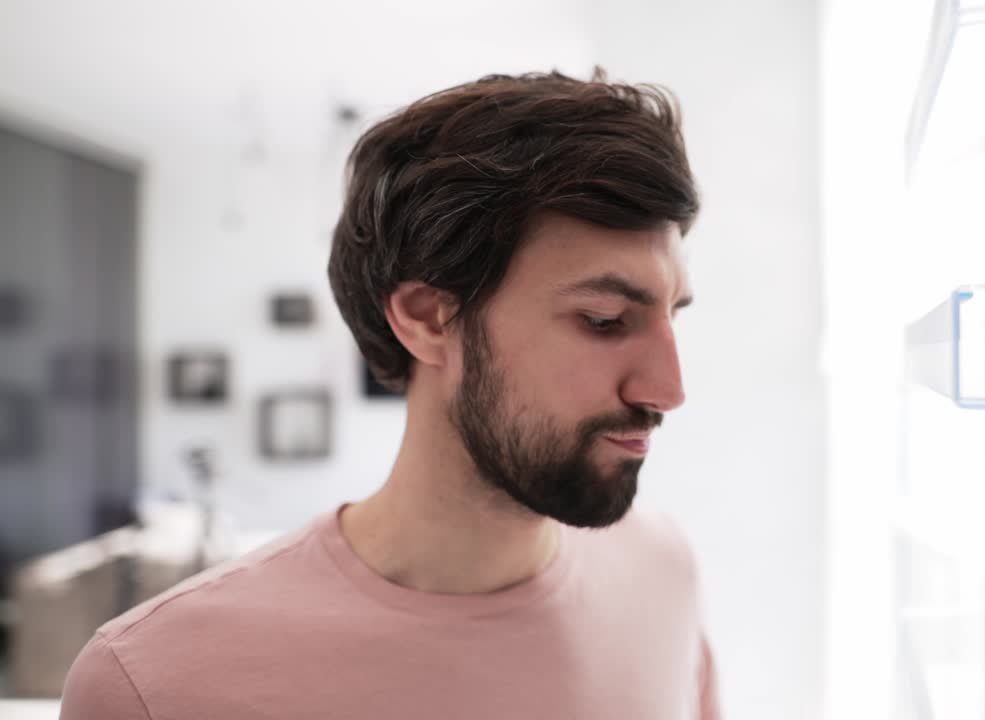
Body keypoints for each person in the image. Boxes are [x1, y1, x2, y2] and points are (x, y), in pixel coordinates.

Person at [59, 69, 720, 719]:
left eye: (673, 314)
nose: (669, 390)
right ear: (429, 318)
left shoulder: (661, 569)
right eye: (603, 320)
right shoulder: (155, 686)